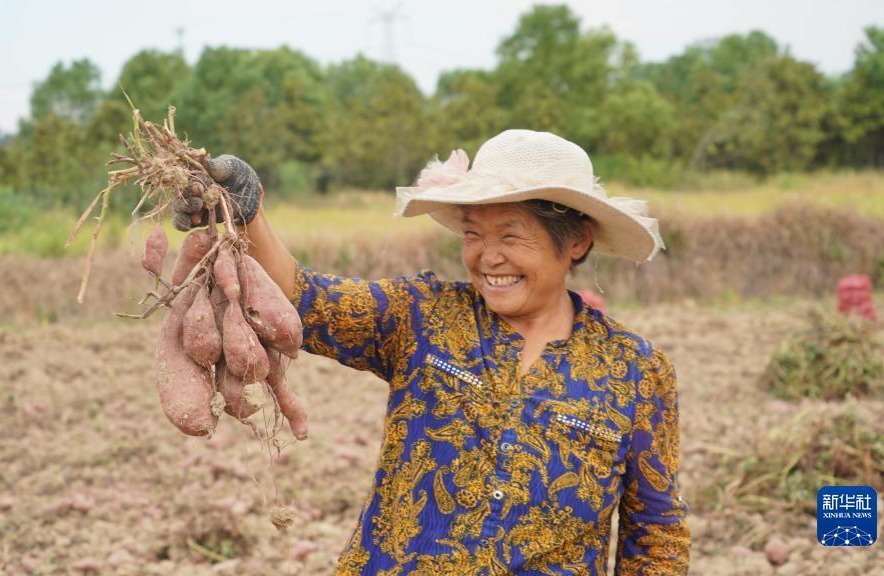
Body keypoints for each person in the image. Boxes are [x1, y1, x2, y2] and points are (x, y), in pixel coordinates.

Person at [174, 129, 690, 575]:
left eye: (511, 236)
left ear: (576, 241)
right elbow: (305, 298)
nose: (488, 257)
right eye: (473, 235)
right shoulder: (422, 317)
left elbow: (656, 537)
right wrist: (247, 210)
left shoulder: (636, 372)